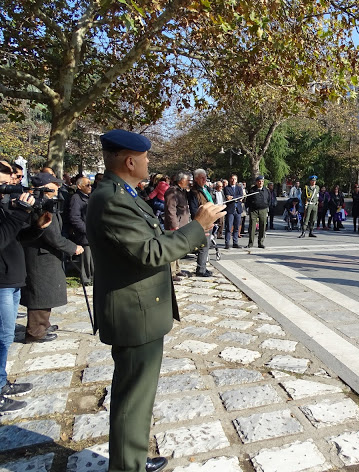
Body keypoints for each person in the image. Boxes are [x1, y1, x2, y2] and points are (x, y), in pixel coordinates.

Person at [86, 129, 224, 472]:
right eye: (145, 158)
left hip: (140, 310)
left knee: (138, 395)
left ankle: (131, 457)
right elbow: (150, 252)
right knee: (133, 398)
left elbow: (151, 237)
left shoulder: (121, 193)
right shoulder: (112, 199)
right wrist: (197, 226)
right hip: (134, 315)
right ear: (131, 161)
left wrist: (193, 228)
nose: (149, 162)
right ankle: (126, 466)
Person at [0, 160, 52, 415]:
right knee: (1, 337)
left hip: (8, 279)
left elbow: (13, 237)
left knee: (4, 337)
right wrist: (20, 210)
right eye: (3, 183)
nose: (9, 188)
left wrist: (35, 228)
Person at [21, 172, 84, 342]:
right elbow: (51, 236)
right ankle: (35, 331)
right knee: (40, 294)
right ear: (44, 187)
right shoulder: (38, 205)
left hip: (46, 255)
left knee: (46, 292)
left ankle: (43, 324)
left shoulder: (48, 202)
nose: (57, 188)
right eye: (54, 185)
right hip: (40, 256)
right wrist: (73, 248)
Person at [164, 172, 191, 281]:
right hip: (175, 225)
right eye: (187, 180)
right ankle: (171, 272)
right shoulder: (172, 192)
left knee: (178, 249)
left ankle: (177, 269)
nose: (189, 182)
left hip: (182, 224)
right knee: (172, 249)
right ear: (181, 180)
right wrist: (174, 225)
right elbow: (171, 209)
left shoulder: (181, 191)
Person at [189, 169, 215, 277]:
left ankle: (203, 266)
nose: (204, 180)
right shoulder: (194, 192)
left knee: (207, 244)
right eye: (202, 178)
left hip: (210, 220)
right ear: (196, 179)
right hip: (202, 221)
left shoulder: (206, 189)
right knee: (204, 245)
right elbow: (194, 209)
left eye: (205, 177)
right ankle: (201, 269)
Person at [69, 176, 94, 286]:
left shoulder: (89, 197)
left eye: (90, 184)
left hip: (92, 232)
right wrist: (86, 230)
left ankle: (93, 276)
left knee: (92, 258)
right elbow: (75, 218)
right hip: (84, 234)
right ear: (79, 186)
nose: (90, 187)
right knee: (86, 257)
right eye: (87, 185)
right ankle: (86, 278)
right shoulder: (76, 198)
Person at [246, 176, 270, 248]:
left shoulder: (266, 190)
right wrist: (249, 208)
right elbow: (248, 200)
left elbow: (269, 199)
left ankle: (260, 242)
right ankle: (250, 243)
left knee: (263, 226)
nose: (260, 183)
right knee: (252, 226)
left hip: (263, 210)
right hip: (254, 210)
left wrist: (266, 206)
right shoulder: (252, 190)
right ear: (256, 182)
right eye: (259, 181)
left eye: (262, 181)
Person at [223, 174, 244, 249]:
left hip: (238, 209)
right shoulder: (226, 188)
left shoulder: (239, 188)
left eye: (235, 179)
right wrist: (237, 198)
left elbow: (241, 196)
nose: (233, 180)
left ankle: (235, 242)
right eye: (232, 179)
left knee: (237, 227)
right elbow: (228, 198)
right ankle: (227, 243)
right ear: (229, 179)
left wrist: (234, 197)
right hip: (230, 210)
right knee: (228, 227)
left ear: (237, 180)